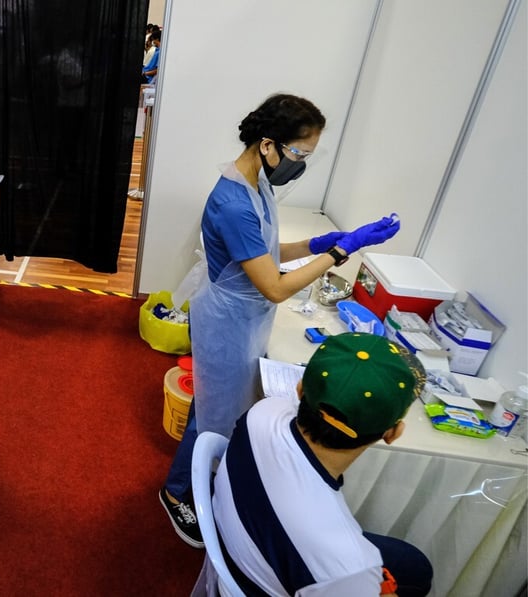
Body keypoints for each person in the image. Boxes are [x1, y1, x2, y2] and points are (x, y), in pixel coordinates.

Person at [159, 93, 401, 547]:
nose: (302, 163)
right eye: (299, 153)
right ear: (268, 145)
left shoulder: (257, 184)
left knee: (217, 406)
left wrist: (316, 243)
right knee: (212, 416)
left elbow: (266, 254)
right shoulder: (232, 200)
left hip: (246, 315)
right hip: (229, 319)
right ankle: (176, 494)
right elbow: (274, 285)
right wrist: (340, 251)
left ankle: (202, 479)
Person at [209, 333, 433, 596]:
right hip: (271, 574)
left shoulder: (263, 412)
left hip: (242, 546)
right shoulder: (349, 566)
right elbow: (346, 571)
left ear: (300, 388)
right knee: (416, 571)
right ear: (393, 433)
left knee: (414, 564)